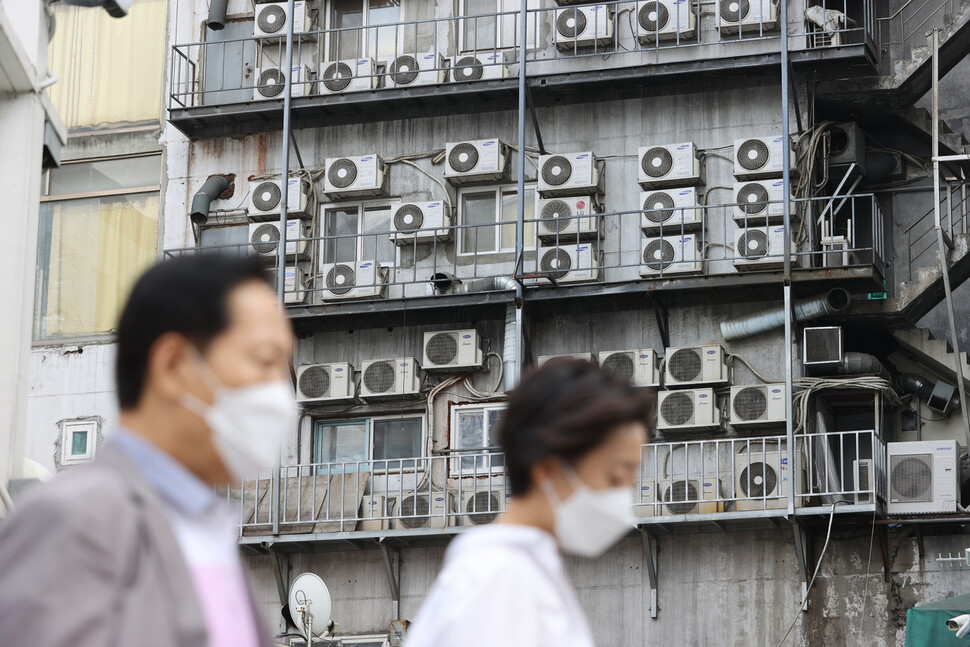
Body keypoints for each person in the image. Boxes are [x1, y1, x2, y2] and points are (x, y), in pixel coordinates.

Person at [0, 255, 297, 647]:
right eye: (264, 361)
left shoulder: (208, 532)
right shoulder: (75, 518)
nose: (280, 393)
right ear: (173, 366)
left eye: (285, 370)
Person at [404, 358, 655, 647]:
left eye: (631, 483)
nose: (624, 497)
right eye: (614, 478)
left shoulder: (518, 570)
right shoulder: (500, 578)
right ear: (547, 468)